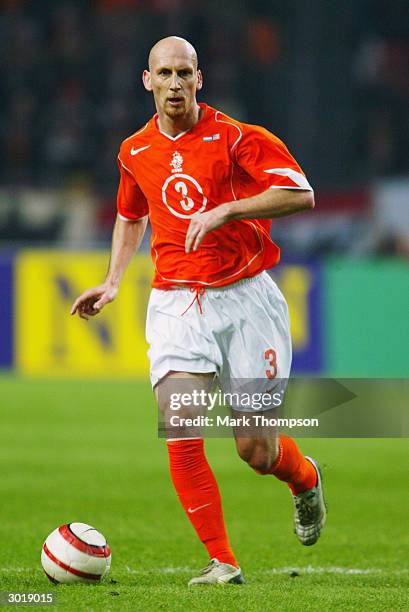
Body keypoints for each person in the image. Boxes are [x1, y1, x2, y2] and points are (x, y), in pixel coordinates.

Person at [71, 36, 326, 586]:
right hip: (176, 302)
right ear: (147, 81)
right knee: (180, 423)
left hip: (246, 297)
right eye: (164, 73)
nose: (174, 84)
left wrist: (228, 209)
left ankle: (304, 479)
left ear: (199, 79)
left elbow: (300, 193)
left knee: (256, 450)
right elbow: (129, 213)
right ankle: (222, 562)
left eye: (184, 73)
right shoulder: (133, 150)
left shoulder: (239, 138)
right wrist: (113, 281)